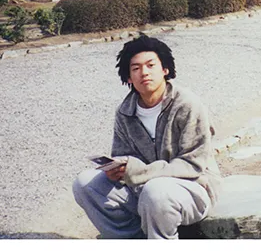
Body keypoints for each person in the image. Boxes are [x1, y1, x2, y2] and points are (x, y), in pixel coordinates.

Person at [73, 35, 222, 239]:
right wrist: (118, 171)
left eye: (151, 65)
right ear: (128, 77)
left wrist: (139, 172)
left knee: (156, 191)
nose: (144, 72)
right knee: (85, 183)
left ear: (165, 69)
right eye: (136, 68)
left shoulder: (187, 104)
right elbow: (124, 156)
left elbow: (193, 165)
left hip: (194, 188)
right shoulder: (125, 112)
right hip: (143, 189)